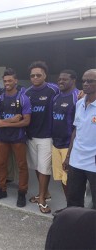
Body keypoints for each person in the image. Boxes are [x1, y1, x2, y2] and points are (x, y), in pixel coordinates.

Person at [0, 68, 31, 207]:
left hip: (18, 137)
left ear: (15, 81)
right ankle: (2, 189)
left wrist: (5, 123)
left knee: (22, 165)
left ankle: (22, 192)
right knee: (1, 164)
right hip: (2, 138)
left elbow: (26, 121)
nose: (7, 83)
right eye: (5, 81)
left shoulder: (22, 98)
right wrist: (13, 120)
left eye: (9, 80)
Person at [24, 61, 59, 214]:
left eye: (39, 75)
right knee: (37, 168)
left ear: (45, 75)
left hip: (47, 137)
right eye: (32, 75)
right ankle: (45, 193)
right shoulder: (27, 92)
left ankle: (42, 199)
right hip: (31, 136)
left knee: (44, 169)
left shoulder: (54, 89)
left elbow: (71, 93)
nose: (35, 78)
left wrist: (81, 93)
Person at [63, 69, 96, 209]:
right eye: (84, 81)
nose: (86, 84)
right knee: (73, 200)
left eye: (90, 81)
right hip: (76, 161)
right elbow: (76, 130)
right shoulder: (79, 103)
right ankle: (75, 227)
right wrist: (68, 156)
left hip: (94, 163)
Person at [52, 69, 79, 199]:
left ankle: (74, 209)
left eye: (64, 79)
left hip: (69, 145)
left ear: (73, 81)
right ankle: (69, 207)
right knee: (61, 178)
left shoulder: (78, 97)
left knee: (70, 180)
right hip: (55, 144)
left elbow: (78, 127)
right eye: (59, 79)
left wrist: (69, 153)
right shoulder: (56, 97)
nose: (61, 81)